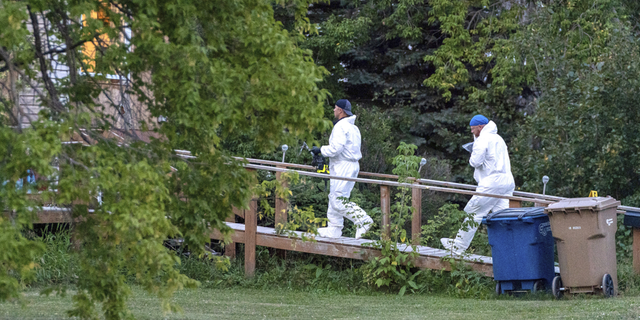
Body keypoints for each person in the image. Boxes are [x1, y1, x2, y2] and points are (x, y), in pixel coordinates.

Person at [441, 115, 515, 255]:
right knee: (502, 217)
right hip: (507, 181)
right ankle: (509, 249)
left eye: (473, 129)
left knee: (473, 211)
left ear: (480, 127)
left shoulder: (482, 139)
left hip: (492, 182)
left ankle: (458, 247)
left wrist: (474, 148)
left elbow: (475, 162)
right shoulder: (499, 138)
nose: (472, 132)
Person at [311, 99, 373, 239]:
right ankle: (334, 228)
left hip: (343, 166)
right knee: (336, 197)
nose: (333, 110)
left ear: (341, 110)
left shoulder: (341, 127)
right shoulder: (353, 127)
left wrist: (320, 150)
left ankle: (363, 220)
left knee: (338, 200)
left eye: (335, 108)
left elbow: (336, 149)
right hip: (348, 165)